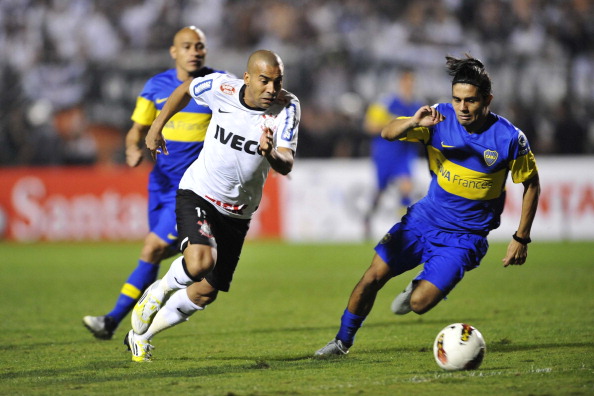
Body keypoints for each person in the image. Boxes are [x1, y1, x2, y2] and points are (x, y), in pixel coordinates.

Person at [315, 55, 540, 356]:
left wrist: (521, 237)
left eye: (471, 101)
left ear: (488, 99)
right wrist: (412, 121)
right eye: (457, 99)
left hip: (464, 237)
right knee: (371, 277)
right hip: (423, 221)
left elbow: (531, 184)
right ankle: (341, 342)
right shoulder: (439, 118)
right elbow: (387, 132)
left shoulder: (509, 138)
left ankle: (419, 285)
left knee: (419, 304)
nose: (462, 107)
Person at [123, 50, 300, 362]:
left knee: (206, 292)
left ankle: (140, 336)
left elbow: (286, 163)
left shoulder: (287, 106)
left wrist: (270, 152)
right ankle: (159, 290)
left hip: (238, 212)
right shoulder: (222, 88)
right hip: (199, 193)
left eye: (277, 80)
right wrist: (156, 127)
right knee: (201, 261)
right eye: (264, 81)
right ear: (247, 79)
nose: (272, 88)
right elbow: (183, 89)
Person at [83, 26, 226, 340]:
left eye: (199, 46)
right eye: (187, 46)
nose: (194, 51)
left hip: (191, 188)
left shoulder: (217, 85)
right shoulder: (155, 86)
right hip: (159, 183)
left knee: (153, 248)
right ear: (174, 52)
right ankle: (134, 321)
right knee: (156, 253)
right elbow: (137, 129)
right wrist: (132, 147)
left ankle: (114, 320)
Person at [363, 69, 423, 239]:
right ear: (400, 83)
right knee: (380, 189)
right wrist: (394, 124)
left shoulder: (417, 106)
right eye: (406, 81)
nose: (409, 85)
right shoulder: (386, 103)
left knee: (406, 186)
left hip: (404, 154)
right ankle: (368, 216)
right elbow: (370, 125)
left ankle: (403, 230)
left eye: (411, 82)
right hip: (384, 153)